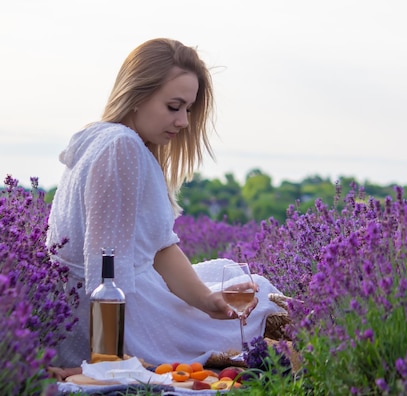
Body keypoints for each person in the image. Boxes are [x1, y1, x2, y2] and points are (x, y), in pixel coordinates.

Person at [45, 38, 283, 372]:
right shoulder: (122, 147)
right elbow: (105, 269)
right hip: (117, 317)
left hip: (82, 304)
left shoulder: (99, 137)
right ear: (137, 95)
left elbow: (157, 250)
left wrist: (206, 300)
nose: (184, 121)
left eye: (188, 109)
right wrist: (105, 363)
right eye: (174, 106)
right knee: (262, 307)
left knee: (226, 276)